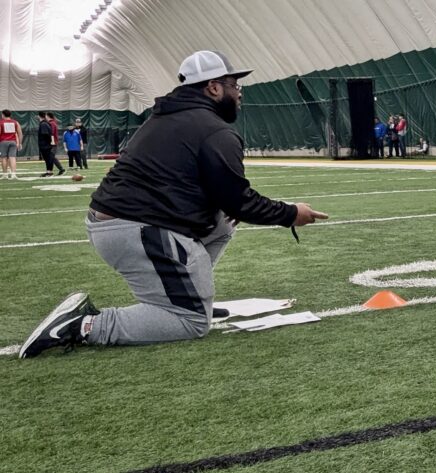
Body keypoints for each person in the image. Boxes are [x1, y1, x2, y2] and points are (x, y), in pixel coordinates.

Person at [19, 50, 329, 358]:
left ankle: (191, 296)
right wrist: (291, 214)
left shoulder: (170, 117)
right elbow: (239, 200)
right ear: (214, 87)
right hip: (134, 227)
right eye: (235, 86)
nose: (239, 94)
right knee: (191, 322)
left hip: (122, 223)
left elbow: (220, 199)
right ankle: (83, 325)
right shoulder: (213, 130)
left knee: (222, 224)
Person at [37, 112, 64, 177]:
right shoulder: (51, 123)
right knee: (50, 157)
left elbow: (50, 134)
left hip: (49, 143)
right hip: (51, 143)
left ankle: (56, 170)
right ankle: (51, 171)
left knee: (50, 157)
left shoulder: (50, 123)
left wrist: (51, 141)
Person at [0, 109, 22, 179]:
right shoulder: (15, 122)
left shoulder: (1, 122)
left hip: (3, 141)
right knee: (12, 158)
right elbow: (20, 133)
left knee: (4, 158)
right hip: (13, 142)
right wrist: (20, 143)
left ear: (3, 115)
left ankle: (5, 174)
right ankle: (13, 174)